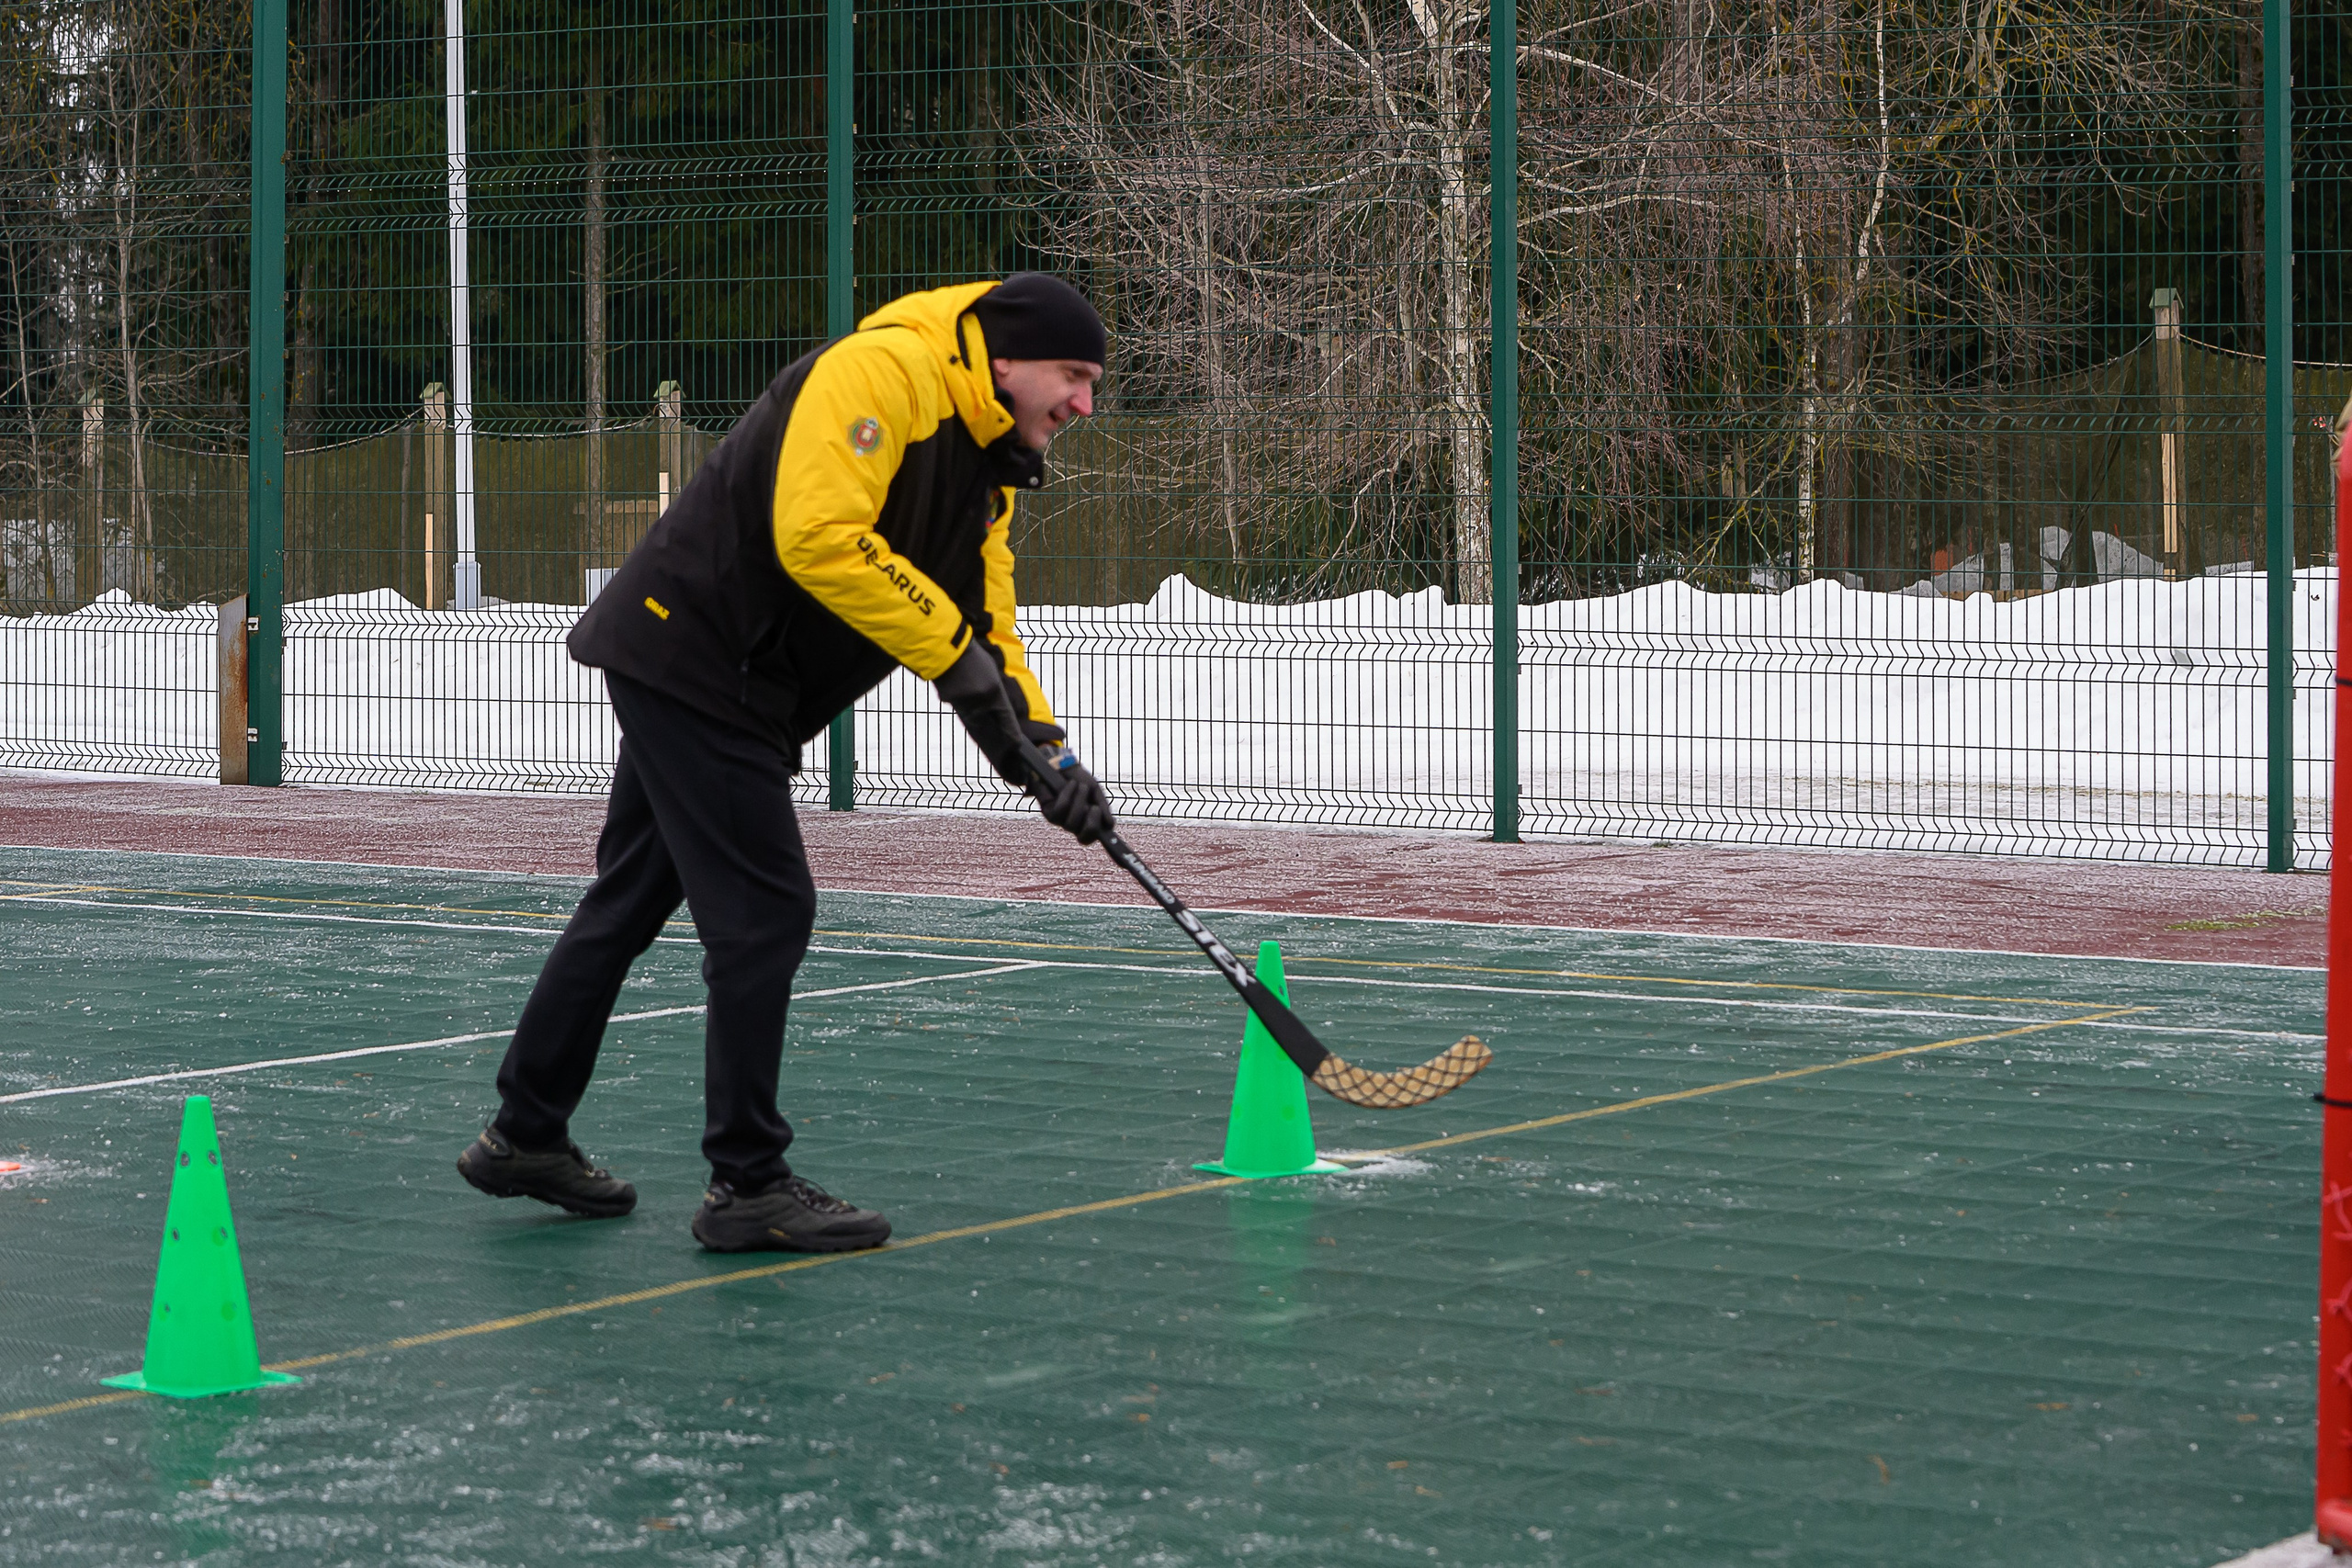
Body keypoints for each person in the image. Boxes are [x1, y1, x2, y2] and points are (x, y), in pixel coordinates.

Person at [456, 274, 1114, 1253]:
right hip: (696, 659)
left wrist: (1043, 756)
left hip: (731, 682)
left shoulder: (990, 468)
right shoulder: (881, 377)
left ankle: (524, 1133)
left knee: (630, 899)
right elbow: (819, 538)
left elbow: (989, 631)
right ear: (1007, 357)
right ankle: (747, 1181)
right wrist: (961, 669)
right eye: (1073, 375)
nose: (1084, 404)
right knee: (765, 912)